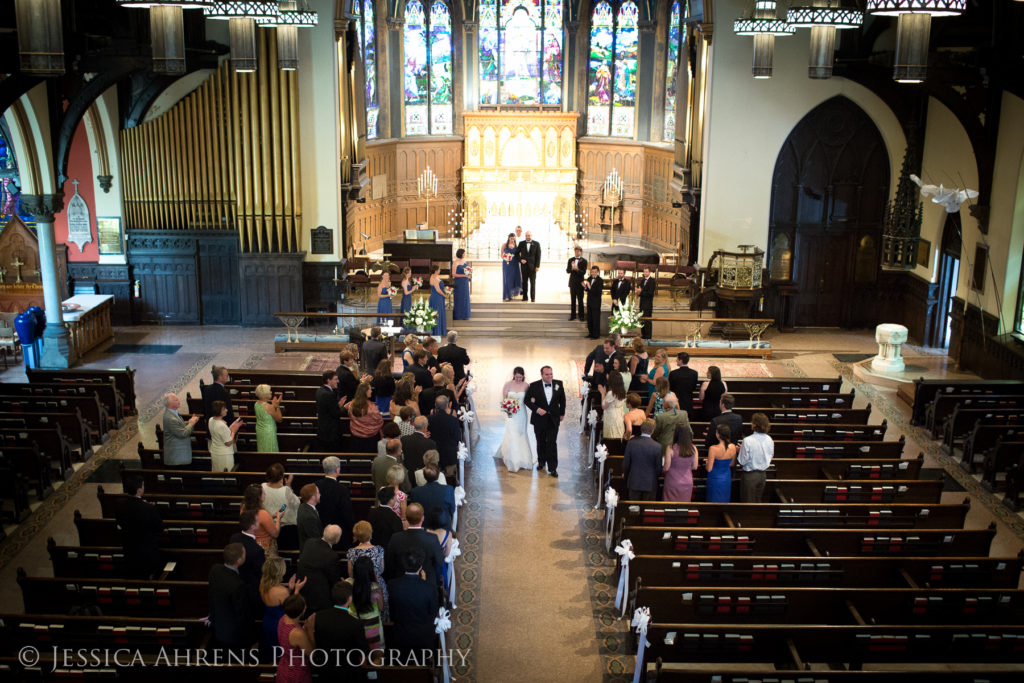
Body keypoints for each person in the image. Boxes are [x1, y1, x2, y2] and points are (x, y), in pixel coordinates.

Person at [308, 582, 369, 681]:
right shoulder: (356, 624)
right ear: (349, 598)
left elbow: (315, 646)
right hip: (349, 674)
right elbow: (362, 654)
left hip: (326, 672)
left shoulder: (319, 617)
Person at [387, 546, 441, 658]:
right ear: (420, 566)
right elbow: (433, 613)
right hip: (424, 637)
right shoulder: (430, 588)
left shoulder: (392, 585)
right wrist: (423, 583)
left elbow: (392, 609)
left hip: (400, 636)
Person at [384, 503, 445, 593]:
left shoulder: (395, 538)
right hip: (426, 583)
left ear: (406, 518)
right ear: (422, 518)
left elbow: (389, 562)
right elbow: (439, 562)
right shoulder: (432, 538)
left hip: (400, 585)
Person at [115, 472, 163, 579]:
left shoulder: (119, 505)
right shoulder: (149, 509)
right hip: (147, 556)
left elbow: (120, 525)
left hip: (129, 553)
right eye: (143, 485)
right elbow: (159, 528)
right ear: (139, 490)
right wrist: (148, 507)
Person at [259, 557, 306, 661]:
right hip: (279, 624)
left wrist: (289, 588)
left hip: (267, 621)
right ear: (279, 571)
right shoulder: (281, 591)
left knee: (271, 651)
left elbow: (278, 600)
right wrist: (297, 589)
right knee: (281, 654)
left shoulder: (263, 585)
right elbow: (292, 608)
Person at [208, 543, 252, 649]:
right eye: (244, 554)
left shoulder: (215, 569)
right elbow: (242, 616)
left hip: (218, 626)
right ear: (239, 560)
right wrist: (251, 641)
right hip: (233, 636)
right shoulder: (238, 585)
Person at [524, 365, 566, 477]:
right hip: (539, 420)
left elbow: (563, 399)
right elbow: (527, 400)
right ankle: (541, 462)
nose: (550, 376)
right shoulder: (534, 386)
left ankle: (553, 468)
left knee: (552, 443)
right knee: (540, 441)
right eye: (547, 374)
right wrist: (537, 409)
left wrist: (562, 413)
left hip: (553, 419)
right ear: (541, 375)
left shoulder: (558, 384)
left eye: (551, 374)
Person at [346, 521, 389, 623]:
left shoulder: (351, 552)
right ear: (370, 533)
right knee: (380, 612)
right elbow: (381, 570)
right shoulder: (379, 550)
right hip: (377, 585)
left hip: (358, 587)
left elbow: (350, 574)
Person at [297, 524, 343, 613]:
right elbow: (334, 580)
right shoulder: (332, 556)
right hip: (319, 601)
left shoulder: (309, 542)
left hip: (303, 592)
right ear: (337, 540)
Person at [229, 510, 267, 612]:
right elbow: (262, 574)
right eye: (257, 521)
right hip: (252, 592)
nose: (260, 522)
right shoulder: (257, 550)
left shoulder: (234, 537)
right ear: (252, 527)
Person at [348, 555, 387, 651]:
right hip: (373, 629)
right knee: (377, 657)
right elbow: (381, 608)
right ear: (370, 571)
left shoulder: (348, 584)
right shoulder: (376, 588)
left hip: (354, 628)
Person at [316, 456, 356, 548]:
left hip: (320, 533)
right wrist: (353, 531)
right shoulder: (342, 490)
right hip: (339, 535)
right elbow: (347, 514)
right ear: (337, 470)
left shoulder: (316, 486)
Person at [499, 366, 534, 472]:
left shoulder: (526, 385)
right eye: (517, 377)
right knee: (512, 434)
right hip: (511, 413)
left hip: (521, 413)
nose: (518, 379)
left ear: (523, 376)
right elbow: (505, 399)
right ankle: (513, 460)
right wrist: (508, 411)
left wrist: (532, 399)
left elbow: (529, 398)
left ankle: (523, 458)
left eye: (520, 377)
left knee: (521, 433)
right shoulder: (508, 384)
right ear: (514, 375)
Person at [275, 594, 313, 683]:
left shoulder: (283, 619)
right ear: (302, 610)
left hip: (284, 667)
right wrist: (310, 629)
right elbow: (312, 654)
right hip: (296, 672)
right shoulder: (298, 633)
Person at [737, 412, 774, 503]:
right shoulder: (769, 440)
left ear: (754, 424)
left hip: (750, 476)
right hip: (763, 475)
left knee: (748, 504)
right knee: (758, 503)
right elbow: (770, 456)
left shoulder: (748, 440)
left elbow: (742, 461)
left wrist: (739, 451)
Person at [262, 464, 300, 551]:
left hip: (266, 526)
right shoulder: (286, 490)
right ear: (282, 477)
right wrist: (288, 485)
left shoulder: (262, 487)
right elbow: (296, 504)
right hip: (285, 529)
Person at [622, 419, 662, 500]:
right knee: (647, 510)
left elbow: (626, 464)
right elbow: (658, 468)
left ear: (641, 429)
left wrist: (626, 476)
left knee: (633, 509)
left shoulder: (631, 443)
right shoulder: (657, 446)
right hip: (650, 483)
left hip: (634, 482)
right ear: (652, 431)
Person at [408, 465, 455, 531]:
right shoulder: (449, 489)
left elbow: (415, 512)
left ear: (424, 477)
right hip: (444, 527)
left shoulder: (415, 492)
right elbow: (452, 510)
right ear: (438, 475)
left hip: (424, 528)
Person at [428, 395, 462, 480]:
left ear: (435, 405)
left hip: (435, 453)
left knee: (435, 478)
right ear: (447, 405)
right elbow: (458, 438)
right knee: (450, 479)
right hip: (449, 454)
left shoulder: (429, 419)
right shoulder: (453, 420)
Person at [242, 483, 281, 553]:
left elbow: (256, 522)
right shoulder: (263, 513)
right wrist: (278, 518)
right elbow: (275, 534)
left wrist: (271, 516)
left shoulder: (243, 508)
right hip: (264, 548)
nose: (265, 494)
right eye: (263, 493)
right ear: (258, 497)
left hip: (249, 545)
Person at [161, 393, 199, 466]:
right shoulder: (170, 418)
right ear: (170, 403)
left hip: (180, 456)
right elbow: (183, 433)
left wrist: (189, 421)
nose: (179, 401)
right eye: (176, 400)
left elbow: (179, 425)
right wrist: (191, 423)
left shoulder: (172, 413)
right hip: (176, 456)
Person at [664, 425, 698, 502]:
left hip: (672, 481)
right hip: (687, 482)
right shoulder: (693, 448)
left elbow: (667, 467)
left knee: (669, 507)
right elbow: (695, 467)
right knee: (684, 508)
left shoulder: (670, 448)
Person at [424, 505, 455, 588]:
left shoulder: (424, 530)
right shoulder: (448, 534)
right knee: (441, 584)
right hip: (439, 564)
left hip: (425, 563)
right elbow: (447, 554)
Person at [348, 382, 383, 453]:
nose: (371, 391)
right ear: (365, 392)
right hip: (370, 438)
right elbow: (380, 421)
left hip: (356, 436)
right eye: (370, 389)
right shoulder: (372, 408)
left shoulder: (351, 405)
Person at [316, 371, 346, 451]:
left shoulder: (320, 390)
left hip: (323, 428)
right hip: (330, 431)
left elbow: (328, 408)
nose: (338, 381)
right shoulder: (328, 394)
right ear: (328, 380)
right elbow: (336, 413)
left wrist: (338, 405)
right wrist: (345, 407)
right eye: (335, 379)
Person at [706, 423, 737, 503]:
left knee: (713, 500)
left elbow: (709, 469)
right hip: (726, 478)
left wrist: (707, 462)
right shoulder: (733, 447)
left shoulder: (713, 448)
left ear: (718, 435)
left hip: (715, 479)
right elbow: (732, 464)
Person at [208, 400, 242, 472]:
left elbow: (221, 434)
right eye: (224, 409)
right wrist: (233, 431)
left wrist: (231, 427)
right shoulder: (221, 425)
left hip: (215, 452)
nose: (226, 410)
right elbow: (228, 442)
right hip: (224, 455)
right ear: (218, 411)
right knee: (226, 476)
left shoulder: (211, 420)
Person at [668, 352, 700, 419]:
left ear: (681, 360)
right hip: (688, 402)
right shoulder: (694, 373)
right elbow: (693, 387)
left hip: (676, 402)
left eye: (677, 359)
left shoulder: (673, 373)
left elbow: (670, 389)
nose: (676, 360)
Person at [253, 384, 283, 452]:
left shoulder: (256, 404)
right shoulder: (268, 406)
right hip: (268, 432)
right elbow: (279, 419)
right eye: (269, 391)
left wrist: (274, 405)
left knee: (262, 449)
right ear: (265, 394)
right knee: (270, 450)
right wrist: (277, 405)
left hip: (260, 431)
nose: (271, 392)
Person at [598, 372, 627, 440]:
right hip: (619, 416)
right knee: (618, 436)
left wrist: (603, 393)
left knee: (611, 437)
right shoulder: (623, 392)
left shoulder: (611, 393)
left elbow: (603, 406)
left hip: (611, 417)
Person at [515, 229, 541, 302]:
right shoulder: (521, 243)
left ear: (531, 236)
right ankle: (525, 297)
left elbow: (538, 256)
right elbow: (516, 254)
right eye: (526, 235)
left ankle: (533, 298)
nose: (528, 237)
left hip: (533, 267)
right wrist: (520, 260)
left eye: (529, 235)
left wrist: (537, 266)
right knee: (524, 283)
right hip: (524, 267)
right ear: (525, 236)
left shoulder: (536, 244)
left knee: (533, 283)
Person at [296, 483, 323, 549]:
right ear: (313, 497)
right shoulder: (309, 516)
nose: (320, 495)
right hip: (311, 553)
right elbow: (316, 539)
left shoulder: (303, 506)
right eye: (318, 493)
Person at [566, 245, 588, 321]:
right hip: (572, 282)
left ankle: (581, 316)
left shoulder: (584, 261)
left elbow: (583, 272)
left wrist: (577, 269)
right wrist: (572, 269)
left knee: (580, 300)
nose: (576, 252)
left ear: (580, 252)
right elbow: (567, 271)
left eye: (578, 251)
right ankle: (573, 315)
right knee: (573, 300)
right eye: (575, 251)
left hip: (580, 283)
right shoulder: (570, 260)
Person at [635, 265, 657, 339]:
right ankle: (643, 335)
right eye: (644, 271)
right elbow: (641, 290)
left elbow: (650, 293)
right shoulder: (643, 280)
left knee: (647, 321)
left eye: (646, 271)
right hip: (642, 303)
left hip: (648, 304)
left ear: (650, 272)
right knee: (642, 320)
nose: (645, 273)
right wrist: (638, 292)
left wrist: (640, 292)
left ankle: (648, 336)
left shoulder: (652, 281)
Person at [583, 265, 603, 339]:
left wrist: (590, 287)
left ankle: (596, 335)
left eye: (595, 272)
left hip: (596, 302)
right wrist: (585, 287)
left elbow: (598, 292)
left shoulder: (600, 280)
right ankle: (590, 333)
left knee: (595, 319)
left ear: (597, 272)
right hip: (589, 301)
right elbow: (588, 290)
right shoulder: (589, 278)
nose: (593, 273)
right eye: (592, 272)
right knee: (590, 318)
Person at [428, 265, 448, 337]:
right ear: (436, 271)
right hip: (437, 298)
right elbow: (438, 290)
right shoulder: (435, 278)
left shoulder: (432, 276)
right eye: (439, 269)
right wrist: (445, 295)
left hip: (434, 297)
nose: (440, 271)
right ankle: (438, 331)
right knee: (438, 313)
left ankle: (437, 330)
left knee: (435, 313)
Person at [501, 233, 522, 301]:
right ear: (509, 238)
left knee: (514, 279)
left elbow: (519, 255)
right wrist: (506, 258)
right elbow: (501, 255)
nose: (512, 240)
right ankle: (507, 295)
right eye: (511, 238)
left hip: (515, 264)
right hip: (507, 264)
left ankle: (512, 294)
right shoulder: (504, 245)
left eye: (513, 238)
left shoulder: (516, 246)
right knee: (507, 279)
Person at [452, 248, 472, 320]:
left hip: (465, 282)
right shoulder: (455, 262)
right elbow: (453, 274)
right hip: (458, 282)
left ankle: (465, 315)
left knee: (465, 297)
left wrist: (469, 273)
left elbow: (466, 270)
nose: (464, 254)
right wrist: (464, 275)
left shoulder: (464, 261)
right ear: (460, 254)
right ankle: (458, 315)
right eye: (463, 253)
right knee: (459, 297)